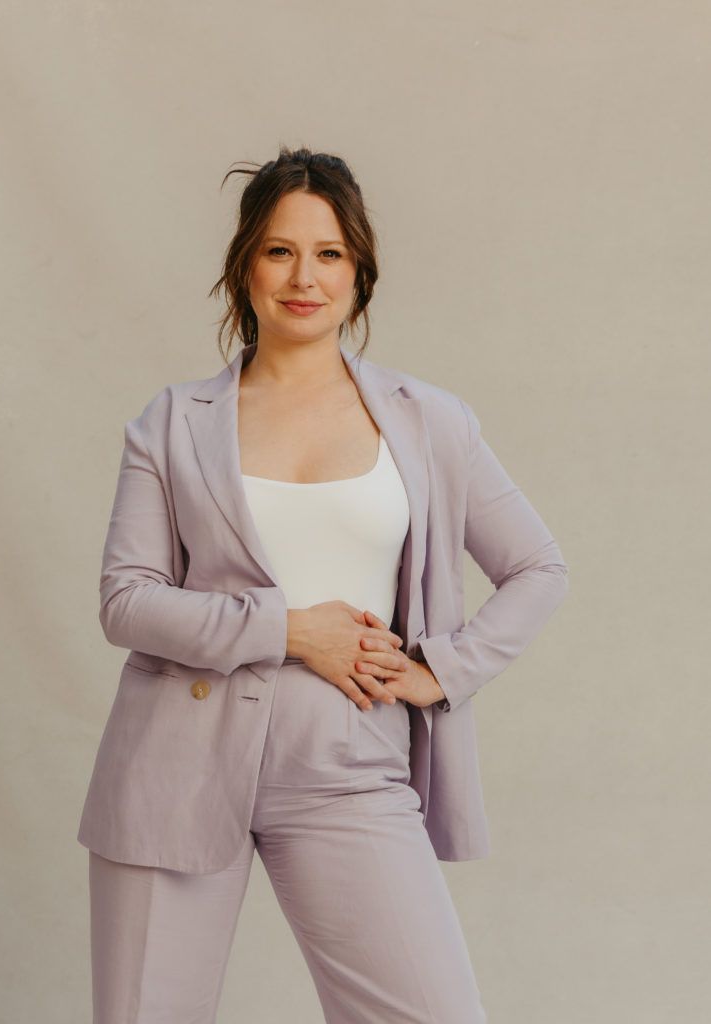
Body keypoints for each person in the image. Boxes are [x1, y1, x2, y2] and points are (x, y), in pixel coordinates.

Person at [78, 146, 569, 1023]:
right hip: (174, 762)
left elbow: (537, 567)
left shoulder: (430, 421)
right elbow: (127, 600)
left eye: (329, 253)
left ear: (358, 273)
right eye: (279, 251)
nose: (304, 277)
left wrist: (439, 671)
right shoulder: (172, 422)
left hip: (347, 759)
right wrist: (292, 630)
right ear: (245, 267)